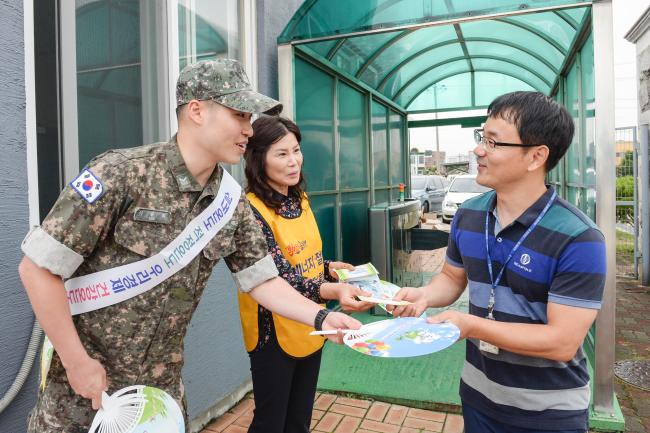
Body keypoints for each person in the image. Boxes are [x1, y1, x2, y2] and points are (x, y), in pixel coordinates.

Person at [18, 58, 361, 433]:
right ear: (197, 111)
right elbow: (37, 269)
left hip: (159, 398)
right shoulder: (121, 173)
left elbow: (263, 281)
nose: (249, 129)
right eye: (239, 116)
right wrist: (75, 362)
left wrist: (323, 318)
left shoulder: (230, 205)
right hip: (84, 393)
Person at [391, 91, 606, 433]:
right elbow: (451, 277)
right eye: (481, 137)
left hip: (549, 411)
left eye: (493, 143)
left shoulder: (579, 237)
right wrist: (425, 296)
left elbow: (562, 341)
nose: (478, 150)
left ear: (536, 156)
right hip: (478, 394)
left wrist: (472, 326)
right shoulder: (468, 214)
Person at [238, 116, 372, 433]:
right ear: (258, 159)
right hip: (273, 332)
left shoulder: (300, 199)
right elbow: (280, 277)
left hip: (311, 324)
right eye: (281, 154)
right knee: (271, 421)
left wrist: (328, 267)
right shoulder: (250, 210)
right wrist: (333, 291)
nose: (293, 161)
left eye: (296, 150)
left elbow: (300, 256)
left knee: (299, 419)